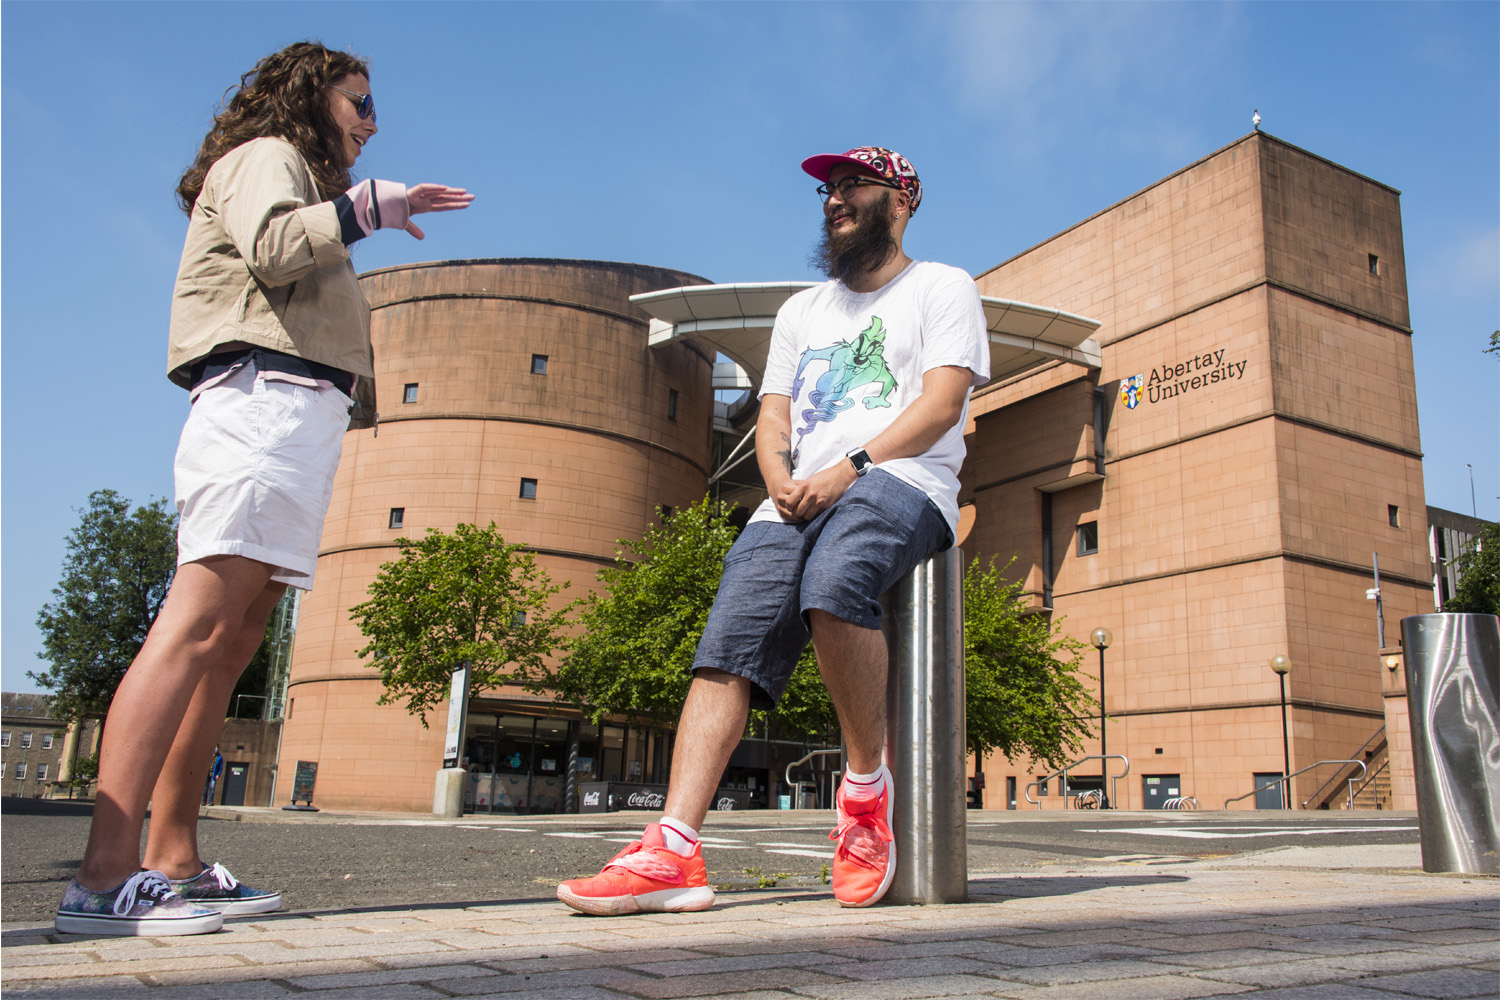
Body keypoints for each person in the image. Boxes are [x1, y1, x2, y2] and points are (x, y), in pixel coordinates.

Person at [55, 41, 473, 937]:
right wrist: (373, 207)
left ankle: (171, 855)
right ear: (309, 95)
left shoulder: (295, 174)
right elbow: (279, 248)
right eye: (359, 102)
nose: (371, 121)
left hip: (296, 413)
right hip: (258, 402)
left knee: (237, 636)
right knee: (197, 623)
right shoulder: (264, 159)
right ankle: (101, 875)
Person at [558, 147, 988, 915]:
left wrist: (849, 466)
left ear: (903, 201)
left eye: (854, 186)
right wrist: (781, 478)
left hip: (904, 480)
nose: (834, 199)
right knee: (729, 640)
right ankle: (674, 850)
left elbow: (941, 405)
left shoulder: (942, 286)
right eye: (828, 189)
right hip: (800, 492)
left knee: (834, 584)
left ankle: (864, 792)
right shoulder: (803, 311)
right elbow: (774, 415)